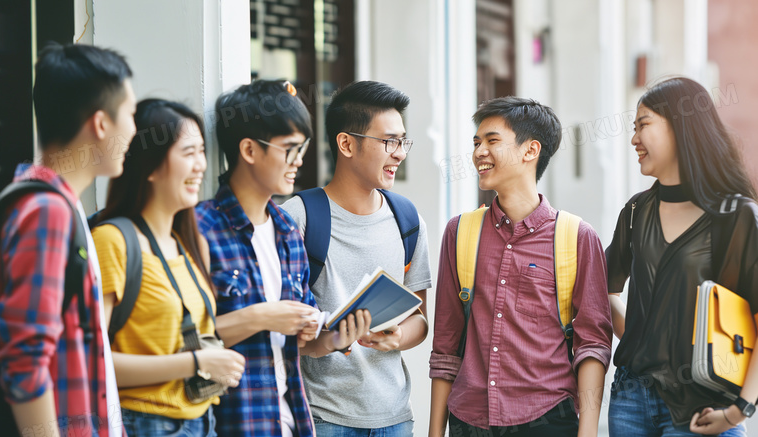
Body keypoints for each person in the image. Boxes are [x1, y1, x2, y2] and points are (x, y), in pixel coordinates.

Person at [429, 97, 613, 437]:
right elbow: (445, 346)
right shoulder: (460, 232)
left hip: (546, 420)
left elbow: (592, 347)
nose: (479, 152)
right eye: (476, 142)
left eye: (492, 141)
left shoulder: (576, 237)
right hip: (469, 421)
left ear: (531, 151)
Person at [196, 79, 369, 437]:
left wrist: (335, 337)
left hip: (290, 422)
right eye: (289, 149)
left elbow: (303, 342)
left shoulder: (288, 231)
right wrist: (262, 317)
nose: (299, 161)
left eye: (302, 148)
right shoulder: (200, 229)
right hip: (232, 423)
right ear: (249, 149)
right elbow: (182, 341)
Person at [0, 42, 135, 437]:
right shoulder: (47, 213)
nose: (136, 130)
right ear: (101, 124)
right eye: (131, 115)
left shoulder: (47, 204)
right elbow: (24, 359)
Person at [607, 77, 758, 437]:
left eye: (643, 125)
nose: (634, 139)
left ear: (681, 127)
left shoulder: (735, 216)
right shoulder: (635, 211)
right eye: (633, 128)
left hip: (704, 405)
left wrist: (740, 410)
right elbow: (604, 289)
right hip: (631, 400)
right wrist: (646, 340)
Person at [281, 80, 433, 436]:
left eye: (402, 141)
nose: (399, 153)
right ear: (346, 143)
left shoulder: (407, 220)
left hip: (395, 417)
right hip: (322, 417)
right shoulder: (298, 218)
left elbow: (421, 319)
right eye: (388, 142)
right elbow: (281, 325)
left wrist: (396, 337)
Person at [92, 99, 245, 436]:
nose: (200, 165)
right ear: (149, 165)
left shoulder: (190, 245)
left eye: (202, 151)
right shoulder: (112, 242)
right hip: (143, 423)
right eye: (188, 153)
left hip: (202, 421)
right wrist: (197, 363)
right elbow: (92, 362)